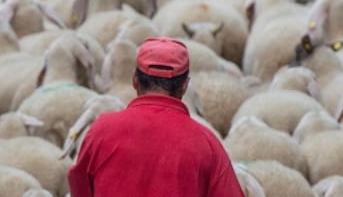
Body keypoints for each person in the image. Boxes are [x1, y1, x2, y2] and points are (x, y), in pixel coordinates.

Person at [67, 37, 244, 196]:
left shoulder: (101, 130)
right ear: (184, 86)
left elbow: (79, 187)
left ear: (135, 80)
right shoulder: (206, 144)